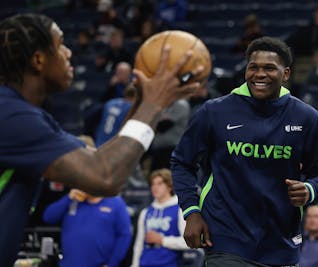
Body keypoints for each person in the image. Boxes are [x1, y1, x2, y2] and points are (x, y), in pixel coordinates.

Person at [0, 13, 202, 267]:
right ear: (38, 59)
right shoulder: (12, 116)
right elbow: (104, 177)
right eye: (60, 44)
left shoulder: (20, 114)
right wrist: (153, 104)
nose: (69, 53)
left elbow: (102, 162)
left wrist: (143, 105)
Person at [171, 36, 318, 266]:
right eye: (253, 67)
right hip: (227, 239)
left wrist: (310, 190)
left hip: (281, 243)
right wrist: (191, 211)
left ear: (285, 74)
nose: (259, 74)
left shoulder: (306, 118)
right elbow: (181, 162)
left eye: (269, 68)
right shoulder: (215, 112)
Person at [43, 188, 131, 267]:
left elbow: (124, 235)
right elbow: (48, 218)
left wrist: (112, 264)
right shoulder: (72, 200)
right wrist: (68, 198)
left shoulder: (115, 203)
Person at [132, 168, 189, 267]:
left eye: (159, 184)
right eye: (153, 184)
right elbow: (139, 244)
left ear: (169, 186)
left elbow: (189, 243)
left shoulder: (179, 210)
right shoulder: (145, 212)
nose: (155, 187)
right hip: (144, 263)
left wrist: (162, 240)